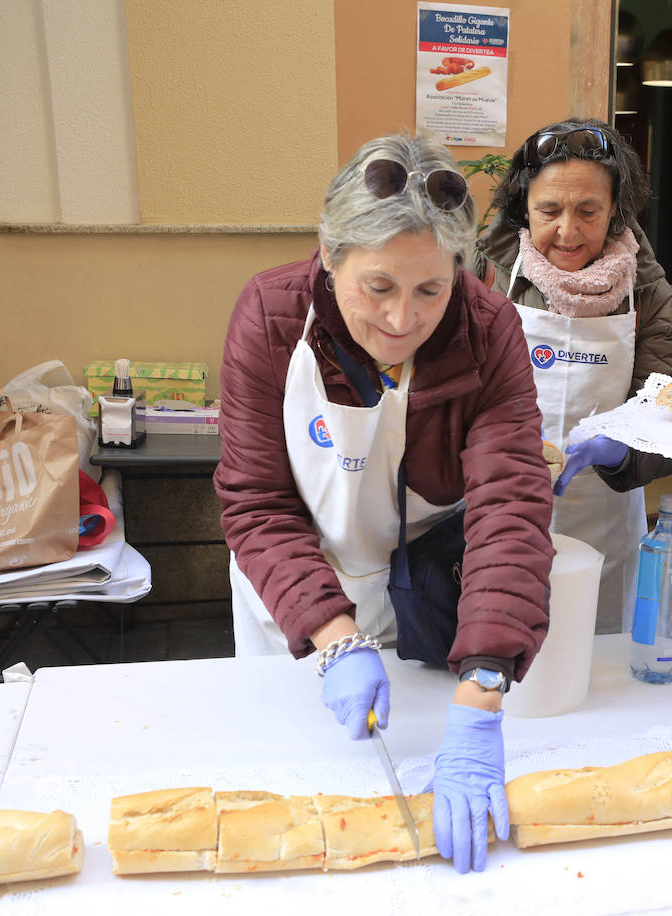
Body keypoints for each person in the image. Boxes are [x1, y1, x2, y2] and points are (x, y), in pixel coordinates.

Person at [215, 133, 556, 874]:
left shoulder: (489, 331)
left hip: (429, 598)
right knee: (296, 802)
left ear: (460, 273)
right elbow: (256, 503)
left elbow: (510, 506)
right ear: (330, 255)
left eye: (430, 290)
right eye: (378, 288)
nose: (403, 320)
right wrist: (333, 638)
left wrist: (486, 684)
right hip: (296, 602)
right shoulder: (272, 320)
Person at [473, 118, 672, 634]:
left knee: (596, 656)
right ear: (523, 207)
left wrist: (623, 450)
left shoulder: (648, 295)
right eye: (549, 211)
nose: (568, 231)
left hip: (604, 513)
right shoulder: (481, 279)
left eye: (588, 211)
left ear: (617, 210)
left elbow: (669, 422)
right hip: (494, 508)